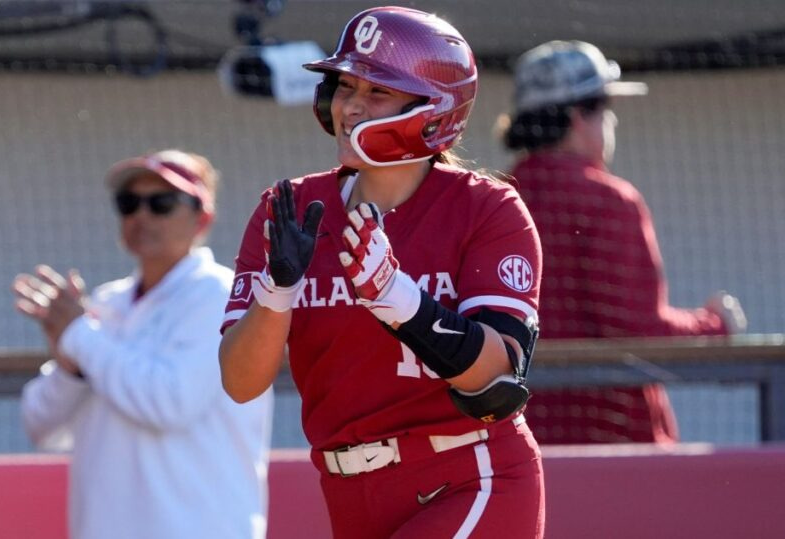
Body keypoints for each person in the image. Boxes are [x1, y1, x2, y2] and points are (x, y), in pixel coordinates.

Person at [220, 7, 544, 538]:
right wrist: (276, 293)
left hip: (469, 475)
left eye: (377, 91)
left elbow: (498, 376)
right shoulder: (293, 209)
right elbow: (239, 383)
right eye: (345, 86)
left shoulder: (486, 209)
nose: (350, 106)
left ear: (434, 111)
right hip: (348, 492)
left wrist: (397, 298)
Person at [14, 150, 273, 539]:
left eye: (162, 203)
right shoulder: (105, 303)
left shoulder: (222, 295)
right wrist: (71, 368)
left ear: (203, 218)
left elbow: (171, 402)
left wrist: (79, 336)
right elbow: (41, 427)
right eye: (128, 203)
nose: (141, 216)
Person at [498, 40, 747, 444]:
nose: (611, 122)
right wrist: (715, 326)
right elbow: (641, 333)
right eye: (606, 109)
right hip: (613, 445)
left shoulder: (492, 199)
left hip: (513, 444)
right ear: (578, 117)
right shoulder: (608, 201)